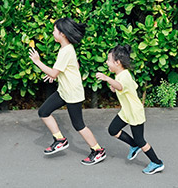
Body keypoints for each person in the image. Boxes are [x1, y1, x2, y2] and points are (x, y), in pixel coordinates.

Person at [28, 17, 106, 166]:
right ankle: (60, 140)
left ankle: (98, 150)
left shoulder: (66, 51)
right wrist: (56, 75)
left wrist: (38, 62)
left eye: (54, 31)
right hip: (64, 90)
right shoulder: (66, 49)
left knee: (78, 125)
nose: (52, 33)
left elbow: (54, 72)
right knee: (43, 112)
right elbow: (73, 66)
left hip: (72, 94)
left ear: (62, 34)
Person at [95, 45, 165, 175]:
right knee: (113, 130)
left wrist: (107, 79)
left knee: (140, 140)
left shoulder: (124, 76)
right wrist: (114, 87)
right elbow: (130, 86)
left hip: (134, 112)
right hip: (126, 112)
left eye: (109, 60)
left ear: (117, 63)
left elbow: (122, 86)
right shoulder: (121, 75)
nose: (106, 62)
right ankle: (134, 145)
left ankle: (156, 162)